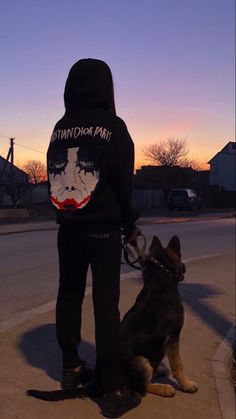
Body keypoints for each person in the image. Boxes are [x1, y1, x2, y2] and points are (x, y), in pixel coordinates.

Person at [47, 58, 142, 417]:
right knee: (106, 303)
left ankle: (71, 369)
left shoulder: (60, 127)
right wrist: (130, 222)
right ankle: (114, 388)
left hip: (68, 227)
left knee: (68, 294)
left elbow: (56, 177)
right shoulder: (113, 127)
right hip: (103, 227)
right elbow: (122, 181)